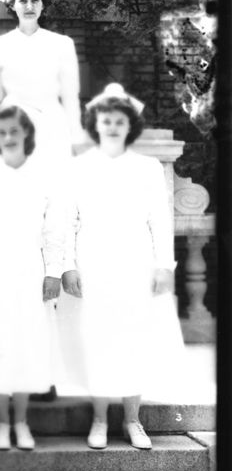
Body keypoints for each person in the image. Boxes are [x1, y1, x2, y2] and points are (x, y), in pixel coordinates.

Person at [61, 84, 183, 451]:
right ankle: (99, 419)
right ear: (94, 124)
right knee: (97, 339)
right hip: (93, 259)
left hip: (135, 260)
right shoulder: (78, 167)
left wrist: (164, 266)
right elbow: (68, 220)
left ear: (129, 125)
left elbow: (160, 221)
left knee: (132, 338)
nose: (112, 126)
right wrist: (68, 265)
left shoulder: (146, 168)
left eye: (119, 121)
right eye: (105, 120)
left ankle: (133, 419)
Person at [0, 105, 64, 450]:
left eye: (14, 131)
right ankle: (1, 420)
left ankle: (21, 421)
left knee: (26, 342)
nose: (8, 138)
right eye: (2, 132)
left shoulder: (43, 175)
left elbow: (54, 230)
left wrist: (52, 271)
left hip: (29, 269)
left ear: (26, 133)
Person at [0, 0, 83, 165]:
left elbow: (71, 97)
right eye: (23, 1)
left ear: (43, 5)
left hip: (52, 127)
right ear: (13, 5)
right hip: (13, 128)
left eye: (35, 0)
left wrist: (76, 138)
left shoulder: (62, 44)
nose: (29, 6)